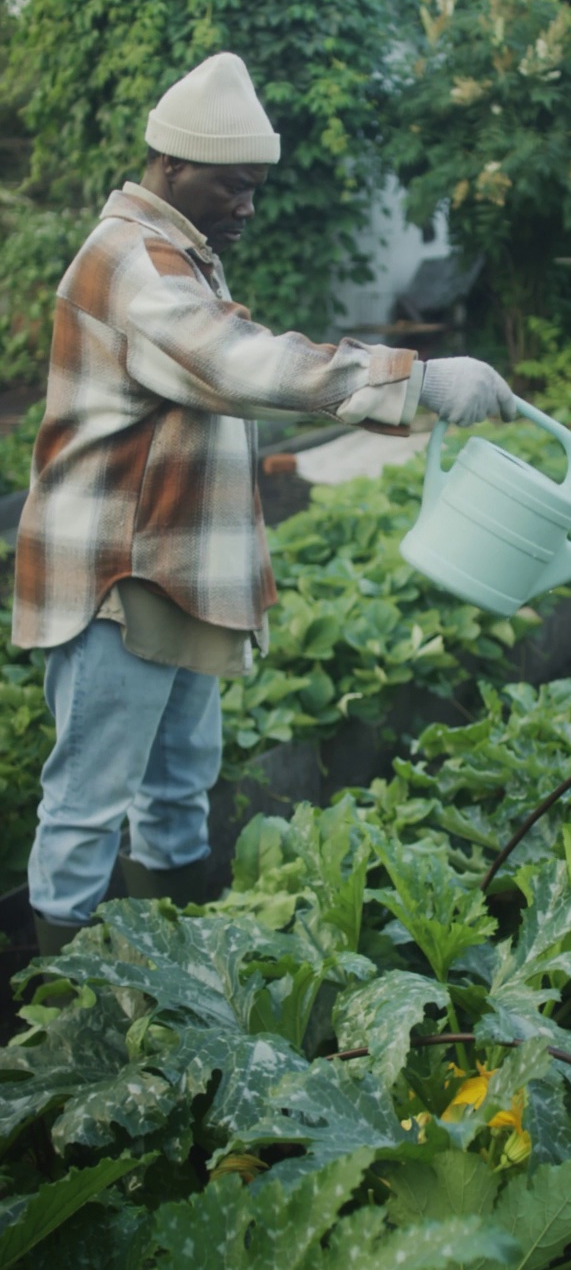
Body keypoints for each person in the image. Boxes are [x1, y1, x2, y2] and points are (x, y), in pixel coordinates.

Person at [12, 53, 515, 953]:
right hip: (118, 578)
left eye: (255, 189)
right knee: (88, 807)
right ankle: (66, 1025)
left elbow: (225, 390)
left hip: (176, 571)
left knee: (177, 790)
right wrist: (419, 378)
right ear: (171, 166)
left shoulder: (180, 254)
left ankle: (171, 979)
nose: (248, 207)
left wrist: (401, 400)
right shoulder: (131, 260)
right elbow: (240, 364)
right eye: (233, 187)